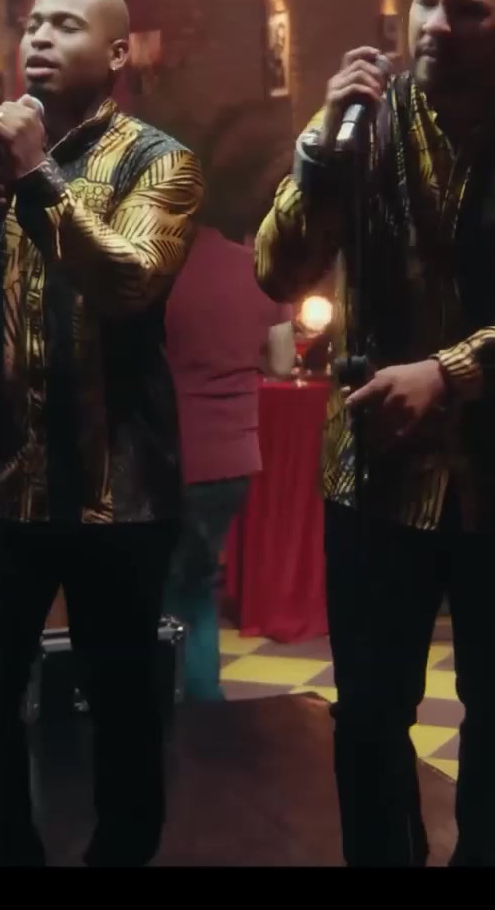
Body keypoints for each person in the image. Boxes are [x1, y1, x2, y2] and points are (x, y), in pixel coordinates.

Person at [255, 0, 495, 868]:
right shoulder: (359, 128)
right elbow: (278, 272)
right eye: (427, 2)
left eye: (467, 9)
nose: (436, 24)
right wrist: (316, 147)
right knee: (371, 709)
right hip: (374, 466)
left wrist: (446, 372)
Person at [0, 0, 203, 867]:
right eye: (33, 22)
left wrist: (38, 179)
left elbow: (128, 283)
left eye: (65, 26)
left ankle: (122, 855)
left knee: (122, 701)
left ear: (116, 54)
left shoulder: (161, 161)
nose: (38, 37)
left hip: (120, 485)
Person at [163, 224, 293, 702]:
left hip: (169, 455)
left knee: (159, 592)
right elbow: (282, 362)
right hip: (235, 458)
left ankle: (169, 712)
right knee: (198, 588)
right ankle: (205, 707)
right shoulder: (258, 268)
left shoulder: (157, 266)